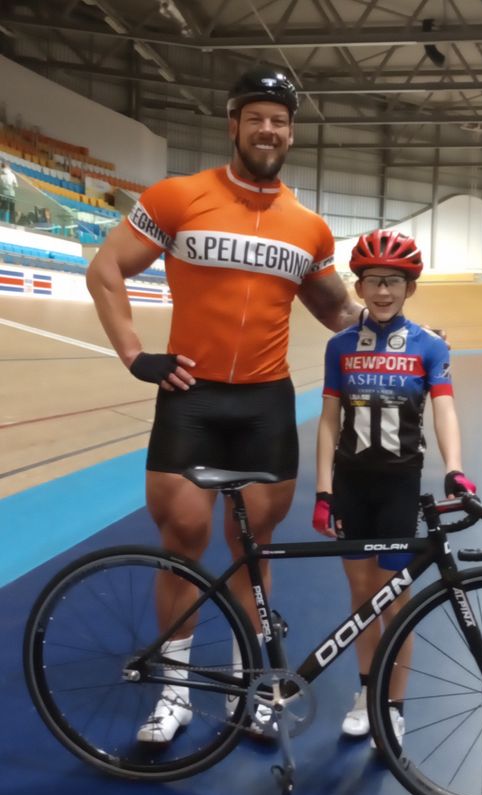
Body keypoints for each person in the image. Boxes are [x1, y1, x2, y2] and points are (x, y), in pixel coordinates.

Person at [85, 68, 364, 744]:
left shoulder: (308, 227)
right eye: (257, 117)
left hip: (265, 406)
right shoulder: (179, 197)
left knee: (254, 550)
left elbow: (336, 309)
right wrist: (133, 354)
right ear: (234, 123)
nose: (269, 129)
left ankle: (253, 687)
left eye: (281, 120)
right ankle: (175, 694)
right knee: (182, 543)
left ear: (291, 133)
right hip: (192, 397)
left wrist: (403, 342)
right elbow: (106, 268)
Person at [311, 229, 475, 745]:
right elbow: (328, 419)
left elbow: (444, 406)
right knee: (361, 597)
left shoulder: (430, 346)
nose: (383, 291)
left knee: (395, 603)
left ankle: (395, 706)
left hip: (400, 488)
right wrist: (322, 490)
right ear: (358, 287)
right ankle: (366, 692)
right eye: (372, 281)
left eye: (394, 282)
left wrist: (455, 467)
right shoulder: (339, 346)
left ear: (411, 288)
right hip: (352, 486)